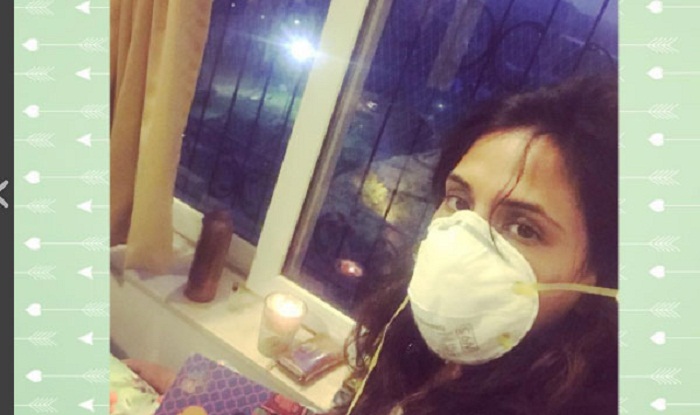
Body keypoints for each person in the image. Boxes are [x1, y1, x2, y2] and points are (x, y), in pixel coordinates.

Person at [333, 76, 618, 415]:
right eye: (460, 202)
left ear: (596, 279)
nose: (464, 245)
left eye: (523, 229)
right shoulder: (406, 330)